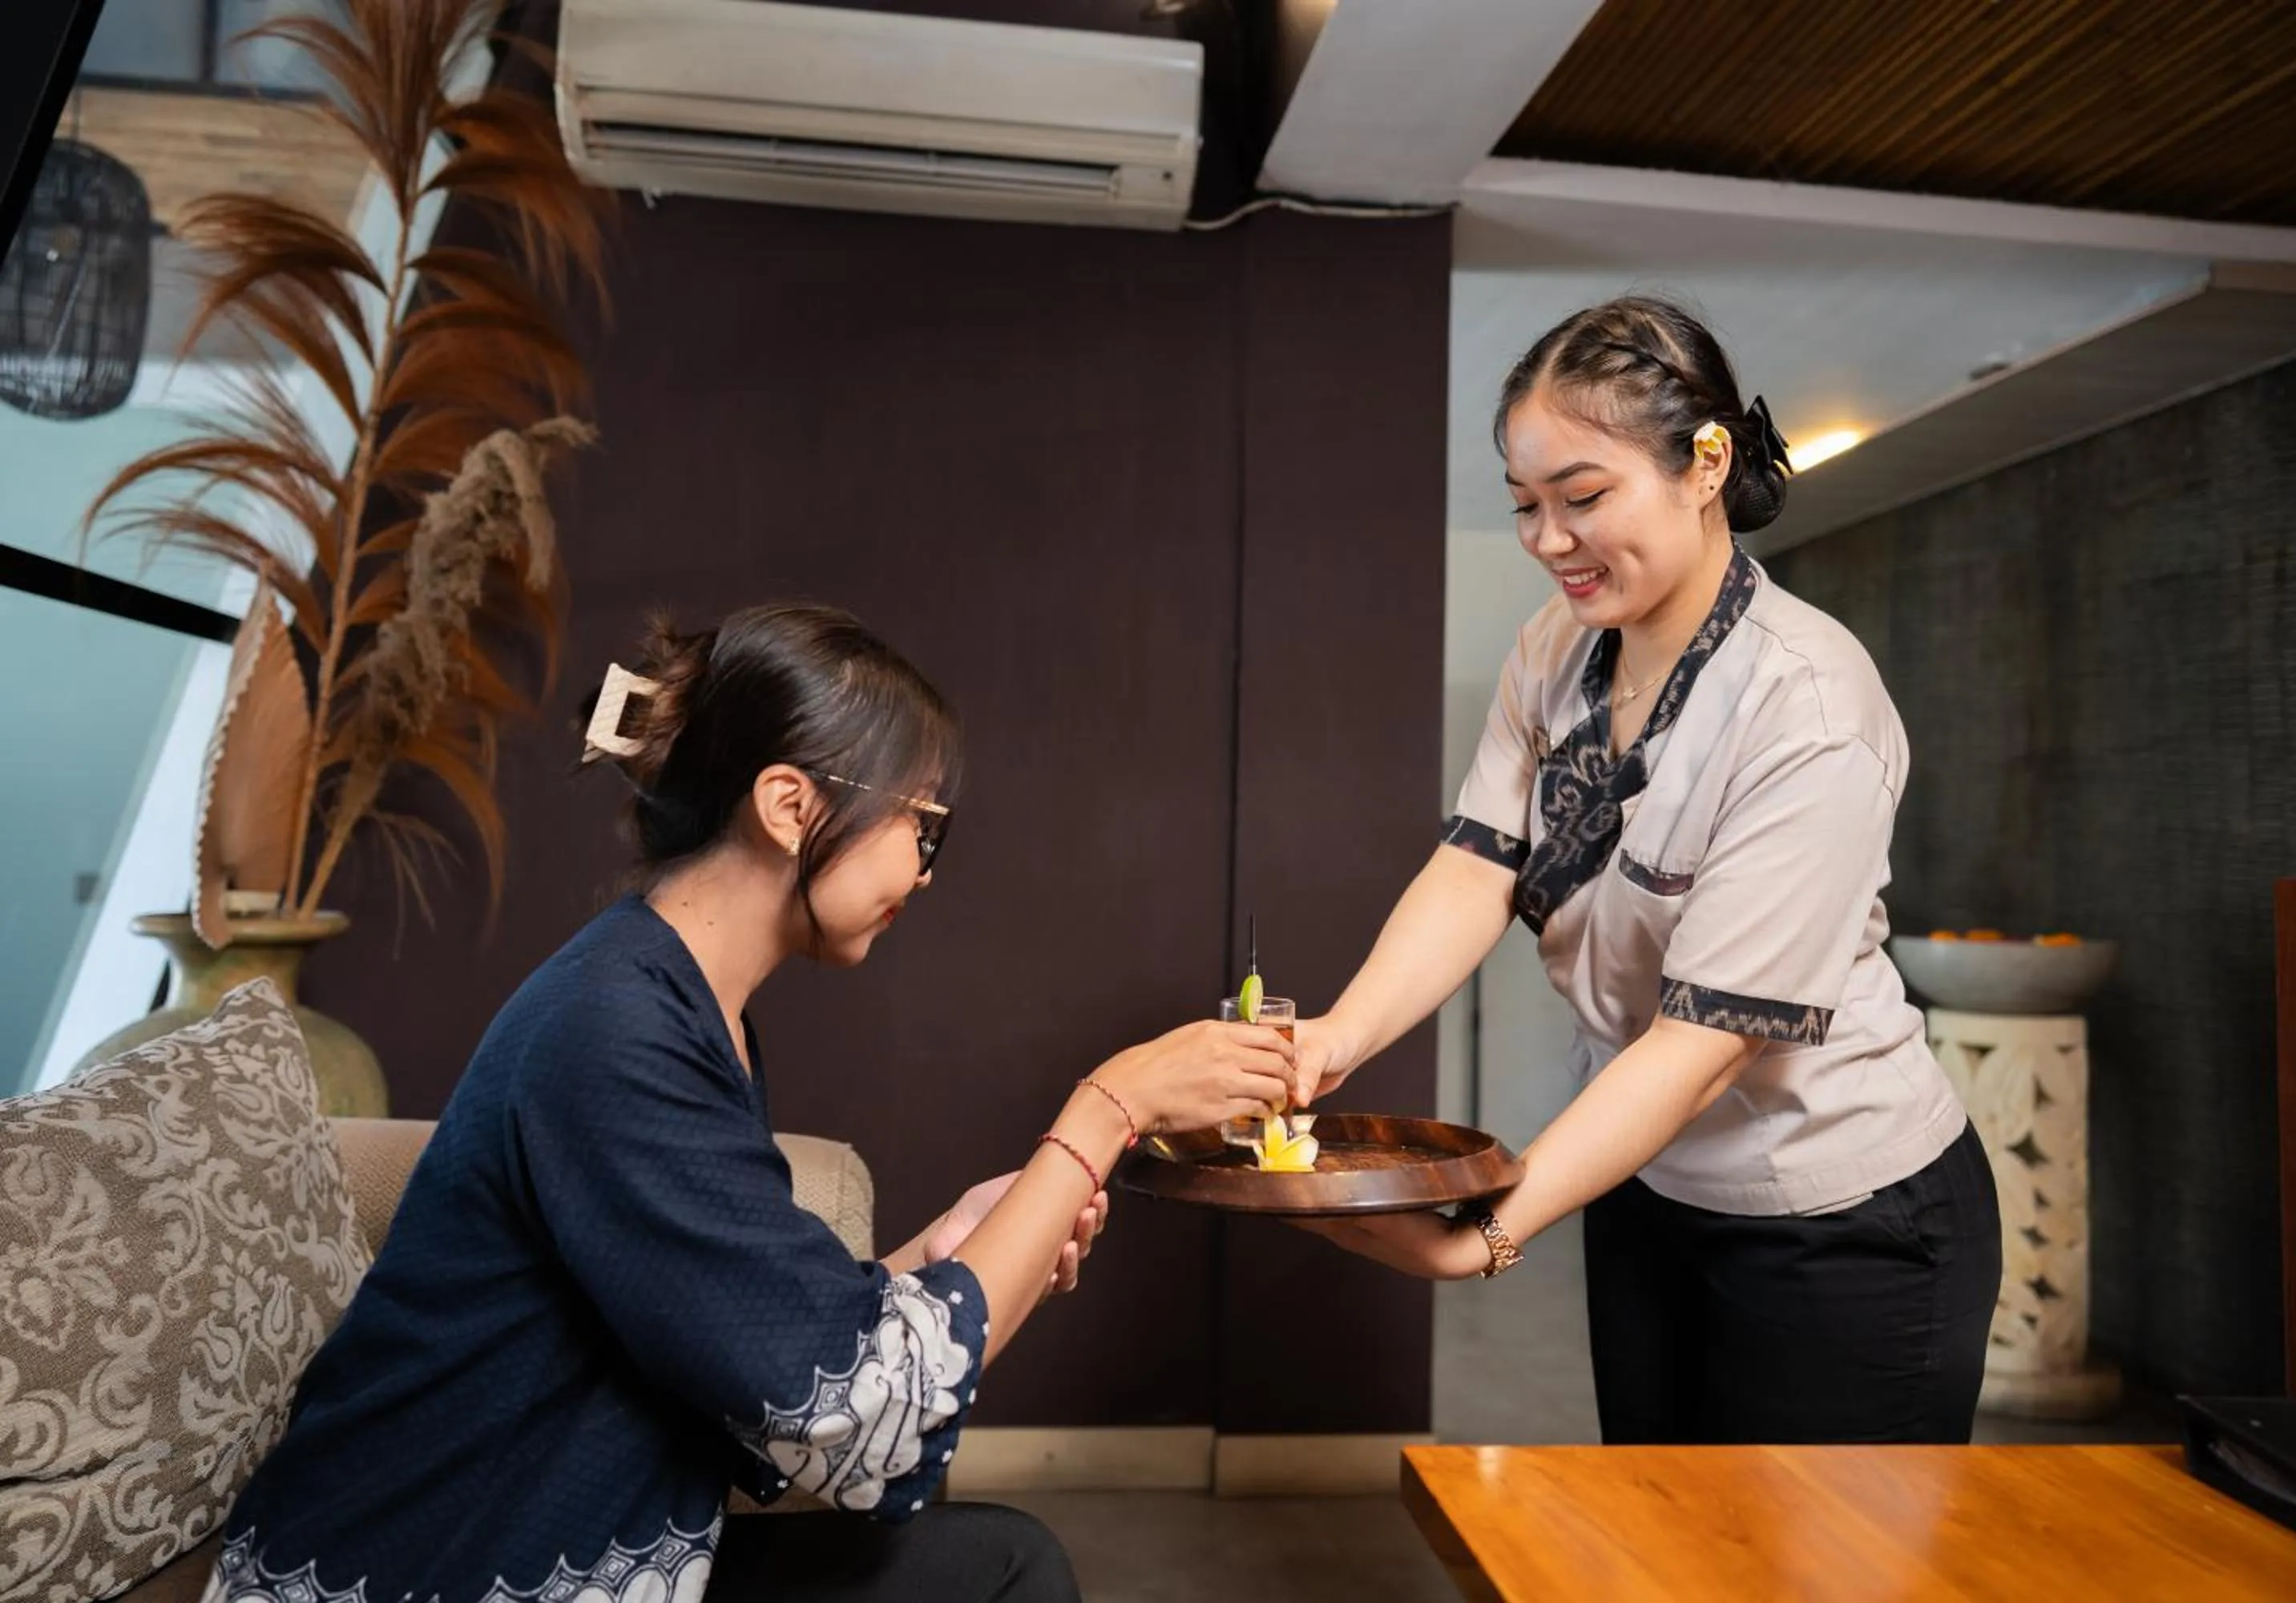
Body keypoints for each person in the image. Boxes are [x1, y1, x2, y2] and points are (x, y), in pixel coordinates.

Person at [208, 604, 1297, 1603]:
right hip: (439, 1568)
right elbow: (861, 1417)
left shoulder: (672, 1003)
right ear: (789, 806)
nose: (925, 869)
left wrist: (935, 1252)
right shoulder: (615, 1032)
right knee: (1003, 1573)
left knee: (1006, 1564)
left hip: (562, 1537)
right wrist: (1105, 1109)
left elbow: (740, 1328)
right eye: (921, 825)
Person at [1290, 297, 2003, 1446]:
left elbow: (1702, 1045)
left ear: (1706, 463)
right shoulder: (1555, 648)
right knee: (1657, 1543)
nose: (1548, 539)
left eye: (1582, 497)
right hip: (1653, 1185)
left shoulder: (1809, 706)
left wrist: (1491, 1233)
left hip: (1840, 1219)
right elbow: (1479, 865)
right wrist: (1335, 1037)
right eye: (1525, 505)